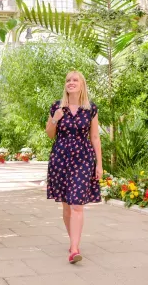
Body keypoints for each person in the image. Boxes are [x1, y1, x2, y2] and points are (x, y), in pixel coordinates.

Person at [44, 71, 102, 264]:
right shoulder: (56, 107)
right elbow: (50, 134)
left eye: (75, 80)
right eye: (68, 80)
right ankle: (73, 242)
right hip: (60, 158)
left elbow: (94, 137)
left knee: (77, 204)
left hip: (83, 159)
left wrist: (99, 165)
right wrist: (55, 119)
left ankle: (75, 248)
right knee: (67, 207)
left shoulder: (90, 109)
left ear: (82, 84)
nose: (71, 82)